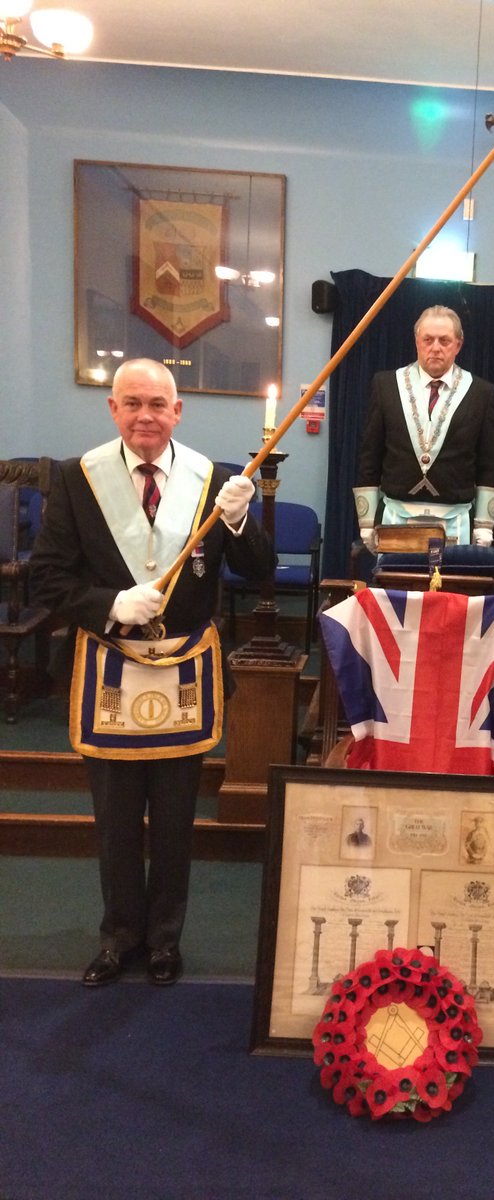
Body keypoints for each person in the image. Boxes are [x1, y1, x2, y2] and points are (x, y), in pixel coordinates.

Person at [29, 359, 273, 988]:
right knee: (114, 820)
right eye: (132, 403)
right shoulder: (77, 478)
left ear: (177, 411)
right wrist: (109, 604)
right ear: (113, 409)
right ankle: (119, 938)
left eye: (158, 404)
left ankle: (165, 940)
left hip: (184, 672)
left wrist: (241, 519)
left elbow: (260, 571)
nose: (145, 415)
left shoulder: (211, 480)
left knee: (173, 820)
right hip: (109, 665)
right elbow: (47, 578)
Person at [354, 305, 494, 549]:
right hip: (396, 518)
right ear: (417, 342)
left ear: (458, 345)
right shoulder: (386, 386)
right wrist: (366, 522)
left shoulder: (481, 393)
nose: (435, 347)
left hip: (456, 520)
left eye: (444, 340)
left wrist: (484, 525)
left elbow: (489, 463)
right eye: (428, 339)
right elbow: (370, 455)